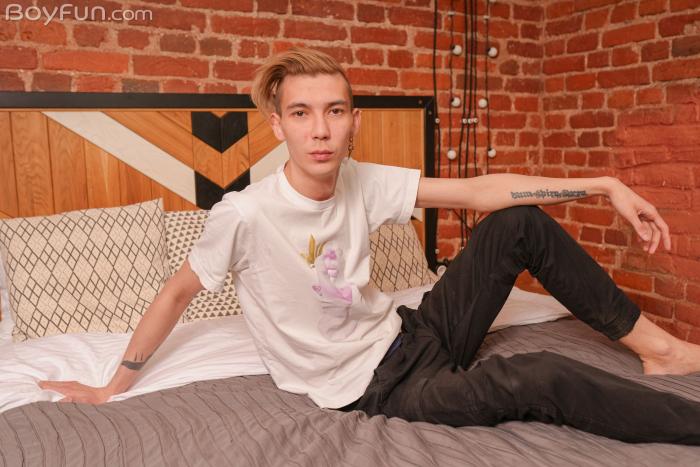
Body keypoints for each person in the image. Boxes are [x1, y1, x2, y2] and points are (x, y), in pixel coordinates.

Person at [39, 47, 700, 445]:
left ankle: (659, 350)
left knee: (517, 223)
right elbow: (177, 291)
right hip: (379, 388)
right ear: (277, 125)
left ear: (353, 121)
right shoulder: (244, 214)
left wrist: (602, 184)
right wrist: (111, 386)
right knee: (542, 375)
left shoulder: (362, 178)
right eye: (301, 113)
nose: (320, 130)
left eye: (334, 111)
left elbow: (480, 192)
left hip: (414, 331)